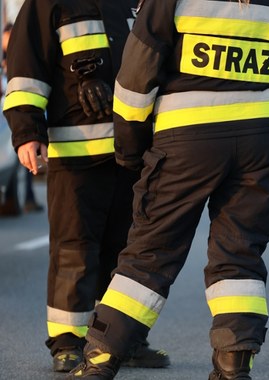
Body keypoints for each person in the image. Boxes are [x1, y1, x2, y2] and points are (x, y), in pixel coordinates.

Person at [67, 0, 269, 378]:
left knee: (150, 254)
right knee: (240, 256)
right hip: (260, 144)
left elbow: (136, 76)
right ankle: (234, 364)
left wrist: (131, 151)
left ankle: (102, 359)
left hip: (185, 141)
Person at [2, 0, 170, 372]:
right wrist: (27, 132)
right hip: (77, 156)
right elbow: (26, 69)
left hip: (134, 154)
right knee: (74, 251)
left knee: (130, 253)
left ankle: (122, 339)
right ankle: (69, 342)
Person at [2, 22, 45, 214]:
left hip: (18, 118)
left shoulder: (18, 53)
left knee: (25, 157)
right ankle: (27, 197)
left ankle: (28, 197)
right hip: (17, 116)